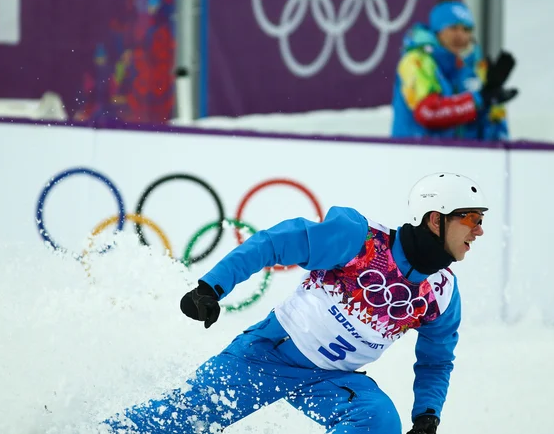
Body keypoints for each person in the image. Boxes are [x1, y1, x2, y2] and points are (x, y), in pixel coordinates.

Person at [101, 172, 488, 434]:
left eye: (481, 219)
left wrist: (426, 415)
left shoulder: (442, 294)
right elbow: (274, 242)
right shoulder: (358, 239)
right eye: (470, 218)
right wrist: (212, 287)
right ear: (435, 219)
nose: (479, 229)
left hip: (333, 380)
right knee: (178, 419)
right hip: (267, 356)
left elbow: (436, 361)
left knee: (378, 420)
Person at [391, 0, 518, 141]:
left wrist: (492, 101)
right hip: (417, 158)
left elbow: (493, 125)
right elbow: (428, 113)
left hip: (464, 159)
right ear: (437, 31)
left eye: (466, 29)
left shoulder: (476, 68)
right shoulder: (417, 61)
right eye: (453, 28)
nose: (460, 36)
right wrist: (479, 99)